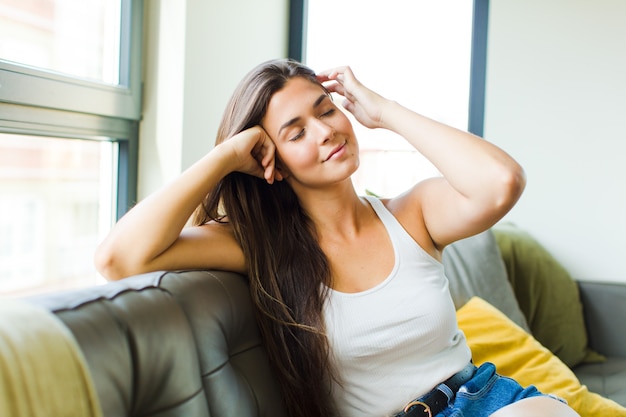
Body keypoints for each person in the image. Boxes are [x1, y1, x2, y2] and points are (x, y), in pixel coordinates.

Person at [95, 58, 579, 417]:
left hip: (487, 402)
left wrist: (384, 110)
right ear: (270, 160)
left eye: (325, 111)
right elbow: (119, 260)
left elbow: (502, 182)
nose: (325, 131)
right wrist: (224, 156)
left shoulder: (411, 214)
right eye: (295, 132)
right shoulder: (260, 247)